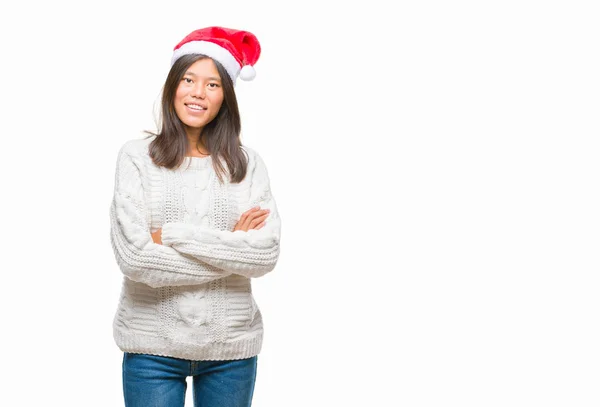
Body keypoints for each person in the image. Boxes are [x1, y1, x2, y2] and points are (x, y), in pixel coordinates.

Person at [109, 26, 281, 407]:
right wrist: (231, 248)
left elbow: (263, 254)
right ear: (173, 86)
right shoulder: (137, 157)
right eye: (188, 79)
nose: (198, 93)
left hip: (231, 348)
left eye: (212, 84)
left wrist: (166, 235)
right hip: (151, 346)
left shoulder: (247, 164)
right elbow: (135, 258)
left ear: (226, 97)